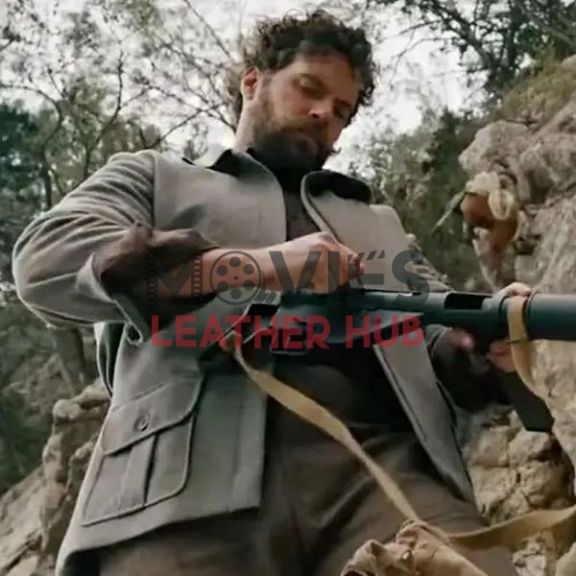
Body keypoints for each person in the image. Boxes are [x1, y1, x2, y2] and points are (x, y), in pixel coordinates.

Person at [12, 9, 552, 576]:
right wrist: (256, 267)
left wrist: (484, 342)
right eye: (310, 88)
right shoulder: (155, 178)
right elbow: (46, 259)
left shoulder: (381, 225)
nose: (324, 115)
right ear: (253, 82)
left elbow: (438, 333)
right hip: (177, 488)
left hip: (382, 478)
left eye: (341, 111)